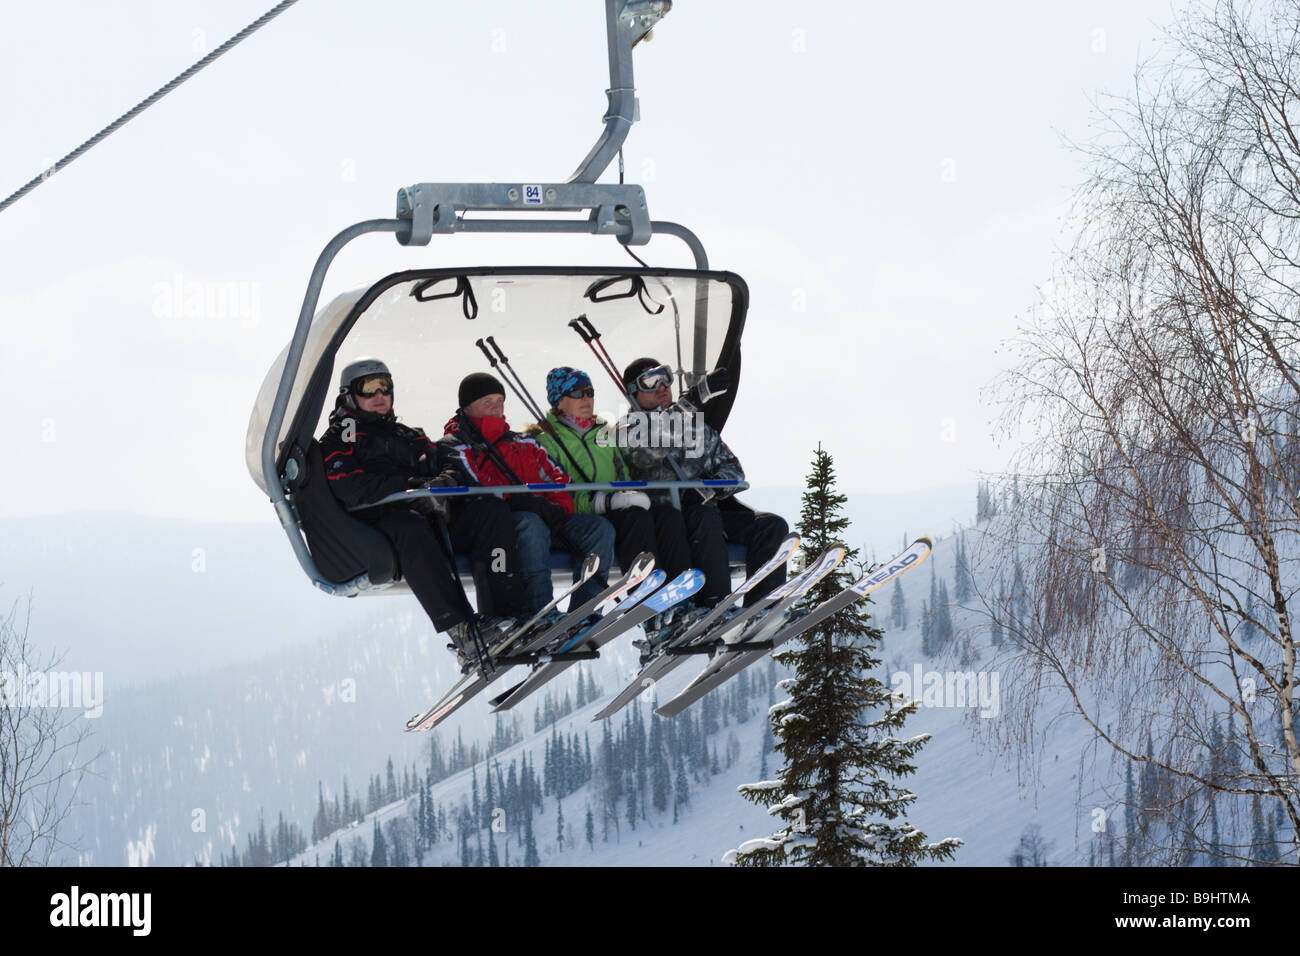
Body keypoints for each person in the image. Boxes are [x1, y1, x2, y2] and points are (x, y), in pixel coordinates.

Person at [318, 358, 526, 659]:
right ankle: (461, 629)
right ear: (349, 395)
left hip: (430, 516)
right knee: (409, 527)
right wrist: (412, 487)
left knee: (489, 512)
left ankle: (506, 616)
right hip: (381, 524)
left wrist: (443, 484)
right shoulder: (345, 435)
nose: (379, 395)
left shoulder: (407, 435)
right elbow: (351, 486)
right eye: (369, 388)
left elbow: (448, 465)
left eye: (385, 387)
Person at [436, 372, 616, 618]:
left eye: (500, 401)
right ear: (467, 407)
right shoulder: (456, 444)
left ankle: (586, 611)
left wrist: (555, 507)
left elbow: (559, 480)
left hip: (547, 517)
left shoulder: (524, 443)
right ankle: (540, 612)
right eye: (487, 402)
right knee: (531, 525)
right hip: (507, 526)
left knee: (598, 529)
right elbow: (478, 485)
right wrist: (528, 504)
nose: (496, 408)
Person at [619, 357, 789, 610]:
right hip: (665, 521)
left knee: (771, 527)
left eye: (665, 376)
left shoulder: (695, 428)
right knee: (702, 516)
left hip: (705, 510)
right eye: (651, 381)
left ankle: (763, 607)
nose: (662, 386)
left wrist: (708, 489)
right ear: (633, 392)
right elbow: (645, 453)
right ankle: (715, 603)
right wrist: (693, 399)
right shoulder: (628, 429)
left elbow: (732, 469)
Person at [525, 367, 693, 586]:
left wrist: (627, 495)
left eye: (589, 392)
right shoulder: (545, 441)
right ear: (558, 400)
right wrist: (602, 503)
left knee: (667, 517)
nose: (586, 399)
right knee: (636, 520)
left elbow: (623, 475)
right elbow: (554, 494)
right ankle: (646, 591)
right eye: (576, 393)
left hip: (614, 508)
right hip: (577, 515)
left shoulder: (604, 433)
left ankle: (680, 593)